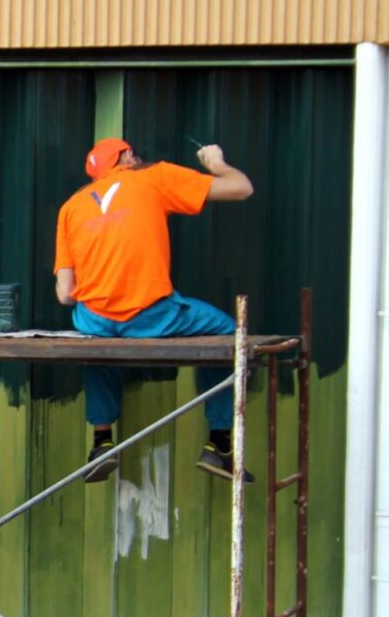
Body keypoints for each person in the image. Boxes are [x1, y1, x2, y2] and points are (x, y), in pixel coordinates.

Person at [54, 136, 255, 482]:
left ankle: (102, 440)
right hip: (149, 314)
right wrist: (216, 165)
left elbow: (66, 294)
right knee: (225, 331)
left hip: (95, 318)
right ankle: (220, 444)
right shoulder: (153, 177)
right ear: (128, 157)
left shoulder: (70, 207)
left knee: (95, 344)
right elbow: (241, 188)